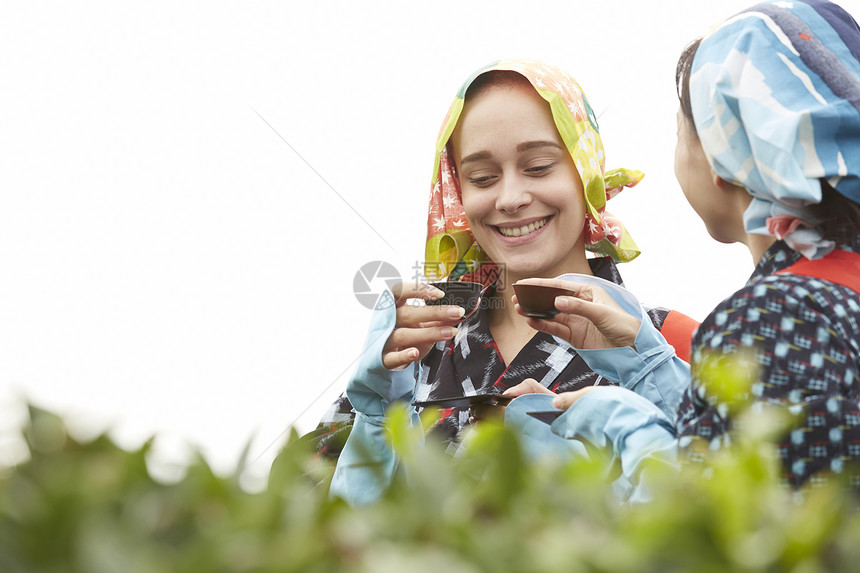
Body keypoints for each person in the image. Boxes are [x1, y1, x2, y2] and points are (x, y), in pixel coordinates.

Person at [515, 0, 860, 491]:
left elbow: (738, 529)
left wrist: (624, 428)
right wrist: (645, 363)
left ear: (723, 156)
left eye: (682, 132)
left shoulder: (778, 316)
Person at [321, 59, 697, 505]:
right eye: (482, 178)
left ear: (585, 170)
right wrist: (374, 412)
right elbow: (306, 522)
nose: (511, 198)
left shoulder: (669, 345)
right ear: (459, 190)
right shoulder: (415, 346)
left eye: (538, 167)